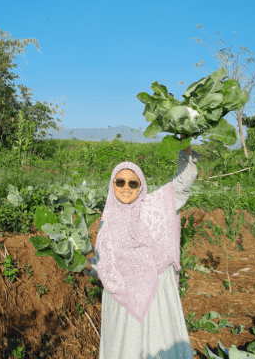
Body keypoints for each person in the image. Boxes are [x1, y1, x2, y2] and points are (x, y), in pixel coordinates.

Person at [84, 136, 199, 359]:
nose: (126, 187)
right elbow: (103, 269)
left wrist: (185, 140)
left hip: (157, 300)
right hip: (122, 309)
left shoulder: (156, 206)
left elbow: (184, 181)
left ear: (141, 186)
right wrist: (83, 264)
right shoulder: (107, 224)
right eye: (120, 182)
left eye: (132, 183)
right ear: (112, 185)